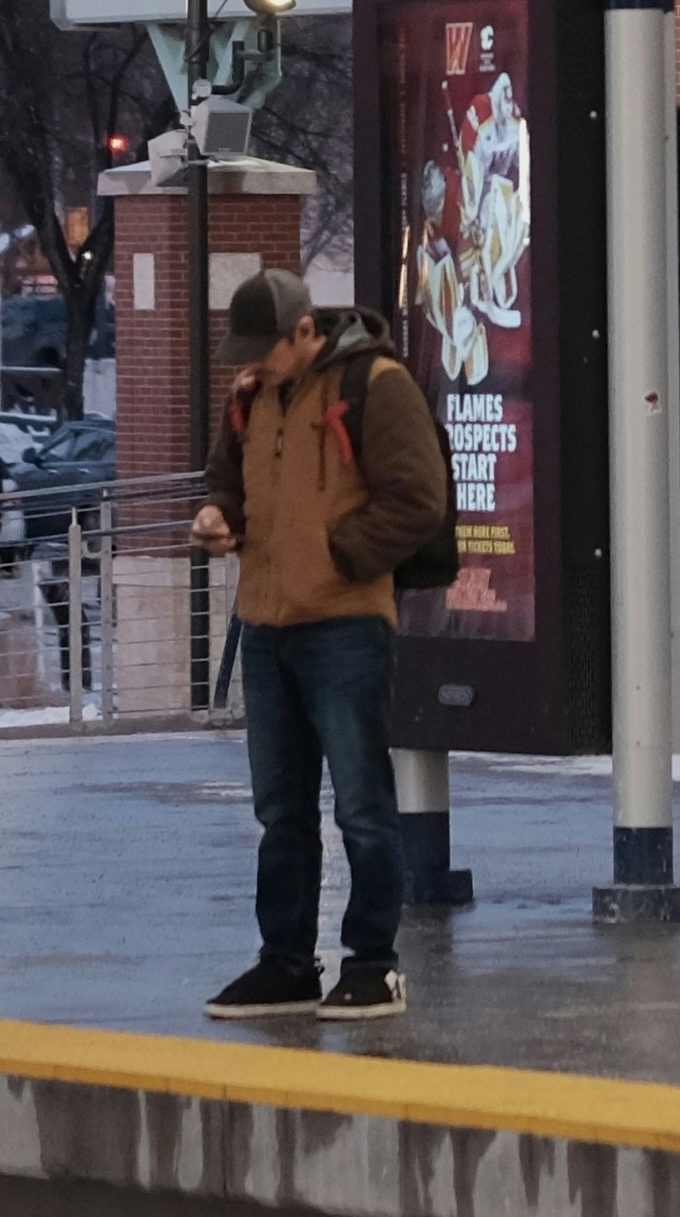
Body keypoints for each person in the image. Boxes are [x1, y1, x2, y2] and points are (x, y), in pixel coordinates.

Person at [191, 269, 449, 1021]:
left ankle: (373, 963)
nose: (253, 365)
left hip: (344, 624)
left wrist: (338, 557)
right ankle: (287, 962)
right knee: (280, 808)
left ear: (306, 332)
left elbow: (418, 497)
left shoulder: (377, 383)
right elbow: (226, 476)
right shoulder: (251, 394)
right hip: (265, 624)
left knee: (362, 805)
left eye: (266, 350)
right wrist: (218, 515)